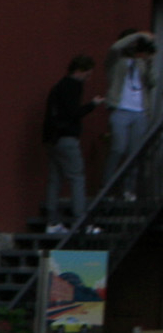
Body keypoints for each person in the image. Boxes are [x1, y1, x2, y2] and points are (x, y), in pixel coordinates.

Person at [45, 53, 102, 232]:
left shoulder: (59, 86)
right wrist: (92, 105)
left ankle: (52, 222)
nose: (88, 78)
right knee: (77, 177)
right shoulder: (73, 86)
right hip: (67, 138)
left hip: (53, 138)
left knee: (55, 179)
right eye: (87, 74)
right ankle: (81, 221)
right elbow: (73, 113)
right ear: (79, 71)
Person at [105, 30, 154, 179]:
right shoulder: (115, 61)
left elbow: (152, 82)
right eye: (131, 43)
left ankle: (129, 188)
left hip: (140, 111)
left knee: (134, 153)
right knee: (118, 148)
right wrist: (137, 35)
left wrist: (149, 62)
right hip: (120, 109)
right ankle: (107, 183)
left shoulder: (140, 63)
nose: (133, 46)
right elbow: (115, 48)